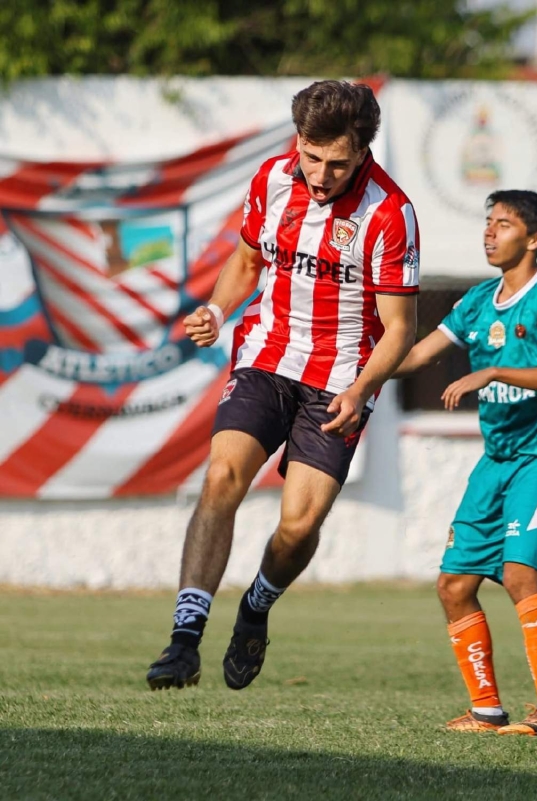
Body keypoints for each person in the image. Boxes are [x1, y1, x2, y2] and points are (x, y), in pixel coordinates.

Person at [146, 80, 420, 691]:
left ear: (364, 154)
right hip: (266, 359)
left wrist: (362, 388)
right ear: (298, 141)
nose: (321, 174)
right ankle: (183, 640)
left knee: (298, 525)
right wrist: (217, 313)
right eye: (312, 156)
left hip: (342, 381)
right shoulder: (270, 179)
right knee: (221, 477)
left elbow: (400, 329)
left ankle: (256, 609)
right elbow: (246, 262)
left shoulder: (390, 213)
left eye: (338, 164)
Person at [395, 189, 537, 735]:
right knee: (454, 585)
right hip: (497, 458)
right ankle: (486, 711)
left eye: (503, 224)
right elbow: (415, 356)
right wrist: (352, 372)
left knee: (518, 573)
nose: (489, 231)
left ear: (535, 238)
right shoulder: (479, 300)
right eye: (488, 222)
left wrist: (494, 372)